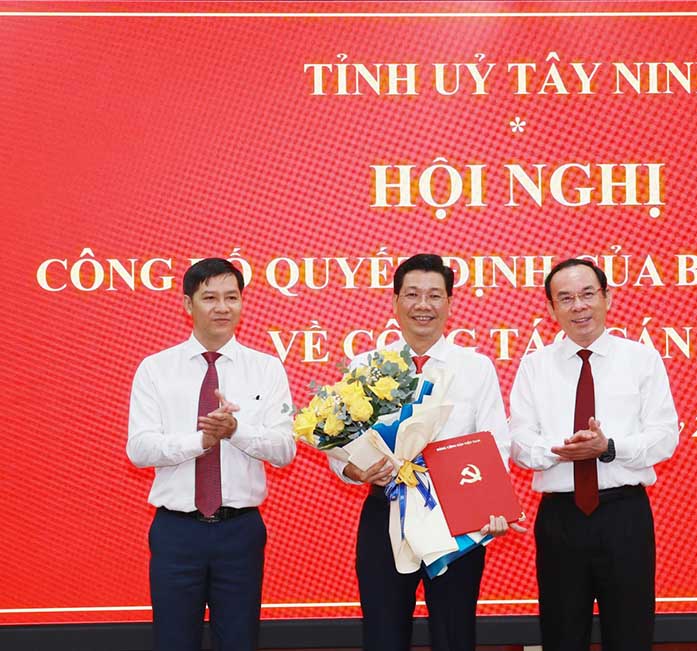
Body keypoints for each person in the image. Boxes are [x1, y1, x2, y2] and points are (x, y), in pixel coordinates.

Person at [331, 253, 524, 651]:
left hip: (457, 519)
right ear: (395, 301)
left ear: (450, 303)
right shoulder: (366, 365)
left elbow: (495, 442)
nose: (424, 305)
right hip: (386, 510)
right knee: (384, 634)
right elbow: (339, 443)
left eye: (435, 295)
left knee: (455, 635)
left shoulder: (475, 367)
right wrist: (357, 471)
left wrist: (492, 505)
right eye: (413, 294)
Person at [509, 258, 680, 651]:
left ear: (608, 298)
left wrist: (609, 448)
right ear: (551, 309)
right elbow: (517, 440)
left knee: (630, 633)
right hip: (560, 518)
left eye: (588, 294)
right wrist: (556, 451)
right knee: (562, 634)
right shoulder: (535, 367)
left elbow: (664, 436)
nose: (578, 306)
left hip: (624, 515)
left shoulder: (641, 360)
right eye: (565, 298)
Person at [127, 258, 295, 651]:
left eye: (231, 297)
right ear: (188, 304)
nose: (222, 307)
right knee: (174, 641)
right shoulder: (156, 369)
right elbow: (139, 449)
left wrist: (237, 431)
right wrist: (200, 442)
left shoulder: (266, 369)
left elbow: (285, 450)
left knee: (239, 641)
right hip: (176, 532)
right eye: (210, 298)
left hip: (240, 531)